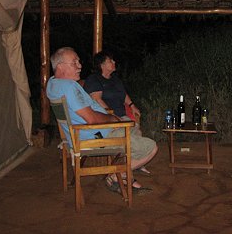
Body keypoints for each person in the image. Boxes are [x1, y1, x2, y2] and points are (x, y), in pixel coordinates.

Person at [46, 47, 158, 192]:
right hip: (94, 135)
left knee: (133, 129)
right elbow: (92, 119)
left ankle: (125, 172)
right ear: (60, 66)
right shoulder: (69, 87)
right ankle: (116, 175)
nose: (80, 66)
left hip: (83, 133)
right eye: (74, 63)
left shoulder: (52, 83)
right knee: (151, 147)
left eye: (79, 61)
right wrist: (112, 119)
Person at [84, 51, 140, 121]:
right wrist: (113, 117)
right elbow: (97, 100)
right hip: (105, 119)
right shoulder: (94, 79)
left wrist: (132, 106)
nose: (114, 62)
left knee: (135, 127)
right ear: (102, 65)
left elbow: (123, 94)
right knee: (133, 129)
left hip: (122, 116)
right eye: (110, 61)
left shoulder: (115, 79)